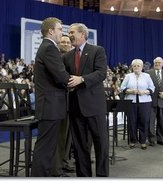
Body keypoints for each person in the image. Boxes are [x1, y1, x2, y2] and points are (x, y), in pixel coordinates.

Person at [63, 23, 109, 177]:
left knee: (101, 143)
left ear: (82, 34)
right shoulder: (67, 56)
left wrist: (81, 79)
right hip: (75, 107)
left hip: (94, 106)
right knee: (80, 146)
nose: (69, 35)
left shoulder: (97, 50)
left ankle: (102, 176)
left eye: (72, 32)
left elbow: (102, 73)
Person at [31, 17, 71, 177]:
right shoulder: (49, 48)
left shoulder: (47, 47)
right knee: (45, 148)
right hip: (50, 105)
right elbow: (61, 76)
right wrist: (80, 82)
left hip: (49, 105)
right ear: (51, 31)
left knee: (47, 146)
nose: (63, 32)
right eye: (60, 29)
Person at [51, 34, 75, 177]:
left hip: (70, 102)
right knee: (60, 136)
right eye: (63, 42)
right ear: (59, 44)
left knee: (68, 136)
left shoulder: (71, 59)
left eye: (68, 42)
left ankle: (64, 162)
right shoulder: (55, 58)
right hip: (58, 103)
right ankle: (58, 167)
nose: (66, 44)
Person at [120, 59, 155, 150]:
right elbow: (122, 88)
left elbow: (152, 88)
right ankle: (132, 140)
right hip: (131, 102)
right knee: (132, 122)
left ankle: (143, 141)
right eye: (134, 66)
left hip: (145, 101)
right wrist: (131, 91)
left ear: (142, 67)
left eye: (138, 66)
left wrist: (145, 91)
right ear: (132, 67)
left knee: (144, 121)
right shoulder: (128, 76)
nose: (136, 67)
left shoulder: (147, 76)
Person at [146, 57, 163, 146]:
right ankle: (151, 139)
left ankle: (160, 138)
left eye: (159, 63)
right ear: (153, 63)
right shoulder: (147, 73)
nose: (157, 64)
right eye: (156, 63)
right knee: (151, 121)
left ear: (162, 64)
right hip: (151, 101)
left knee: (161, 120)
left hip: (162, 101)